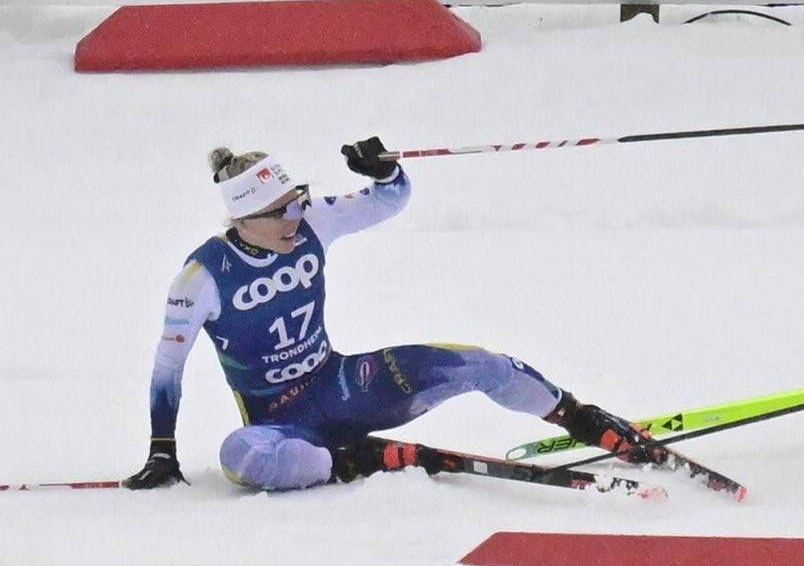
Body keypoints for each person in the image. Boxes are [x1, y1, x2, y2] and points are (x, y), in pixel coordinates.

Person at [124, 139, 659, 491]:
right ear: (243, 217)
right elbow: (167, 369)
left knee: (479, 364)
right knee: (240, 459)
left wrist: (386, 172)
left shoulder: (312, 222)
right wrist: (162, 450)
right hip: (281, 422)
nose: (296, 215)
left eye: (298, 200)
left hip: (344, 383)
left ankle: (583, 418)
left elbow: (387, 201)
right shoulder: (200, 278)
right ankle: (352, 461)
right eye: (282, 210)